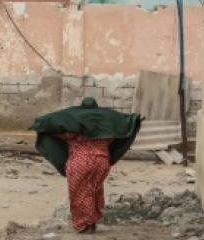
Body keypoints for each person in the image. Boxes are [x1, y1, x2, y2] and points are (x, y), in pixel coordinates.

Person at [30, 97, 142, 234]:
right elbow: (122, 129)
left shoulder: (72, 132)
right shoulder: (107, 132)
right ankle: (92, 223)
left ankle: (83, 225)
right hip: (102, 162)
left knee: (79, 193)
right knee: (94, 191)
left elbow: (53, 128)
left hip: (80, 162)